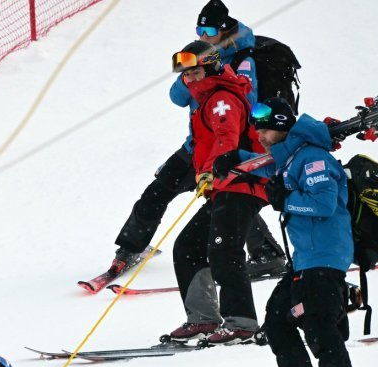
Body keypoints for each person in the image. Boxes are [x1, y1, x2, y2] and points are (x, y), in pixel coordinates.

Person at [109, 0, 284, 282]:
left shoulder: (243, 60)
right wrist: (193, 69)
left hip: (227, 150)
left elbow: (245, 103)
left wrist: (212, 74)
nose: (203, 35)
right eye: (199, 29)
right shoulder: (201, 56)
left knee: (231, 200)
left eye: (210, 29)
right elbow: (177, 98)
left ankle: (267, 254)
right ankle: (129, 249)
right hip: (196, 146)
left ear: (225, 29)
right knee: (159, 190)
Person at [214, 98, 365, 367]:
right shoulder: (289, 157)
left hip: (324, 258)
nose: (261, 136)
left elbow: (324, 204)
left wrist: (287, 200)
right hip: (305, 260)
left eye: (265, 129)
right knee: (278, 319)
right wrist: (233, 159)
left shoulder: (312, 158)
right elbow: (261, 165)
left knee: (319, 326)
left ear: (282, 126)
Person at [166, 40, 269, 345]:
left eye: (195, 73)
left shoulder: (222, 98)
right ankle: (203, 319)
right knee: (188, 245)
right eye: (186, 76)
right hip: (223, 186)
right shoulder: (208, 98)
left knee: (225, 248)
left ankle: (241, 322)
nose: (190, 80)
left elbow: (227, 137)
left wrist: (212, 169)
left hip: (240, 183)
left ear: (210, 66)